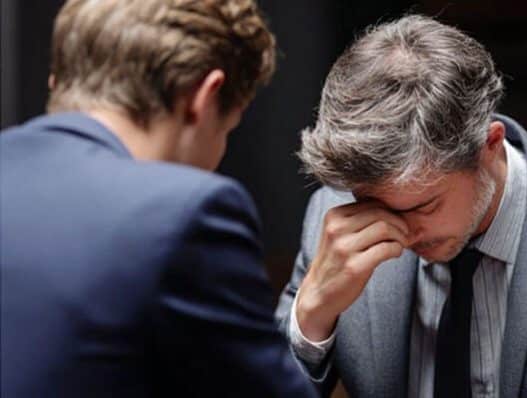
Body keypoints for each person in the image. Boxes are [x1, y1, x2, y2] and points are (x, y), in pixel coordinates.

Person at [275, 15, 527, 398]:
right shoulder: (332, 219)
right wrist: (311, 314)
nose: (399, 232)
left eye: (422, 205)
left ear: (489, 147)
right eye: (372, 204)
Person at [0, 1, 316, 397]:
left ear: (58, 82)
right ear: (202, 98)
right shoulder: (182, 213)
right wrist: (314, 318)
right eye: (227, 130)